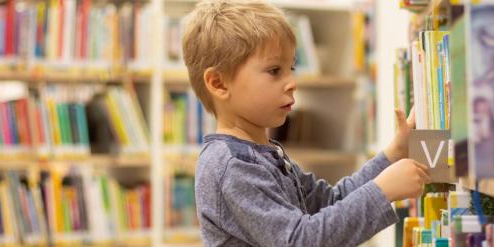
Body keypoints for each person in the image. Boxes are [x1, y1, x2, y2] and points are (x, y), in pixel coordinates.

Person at [181, 0, 431, 246]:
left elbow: (334, 200)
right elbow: (301, 240)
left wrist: (393, 154)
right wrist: (382, 191)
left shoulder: (265, 154)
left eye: (292, 67)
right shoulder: (232, 166)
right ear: (219, 83)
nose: (292, 82)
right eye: (274, 71)